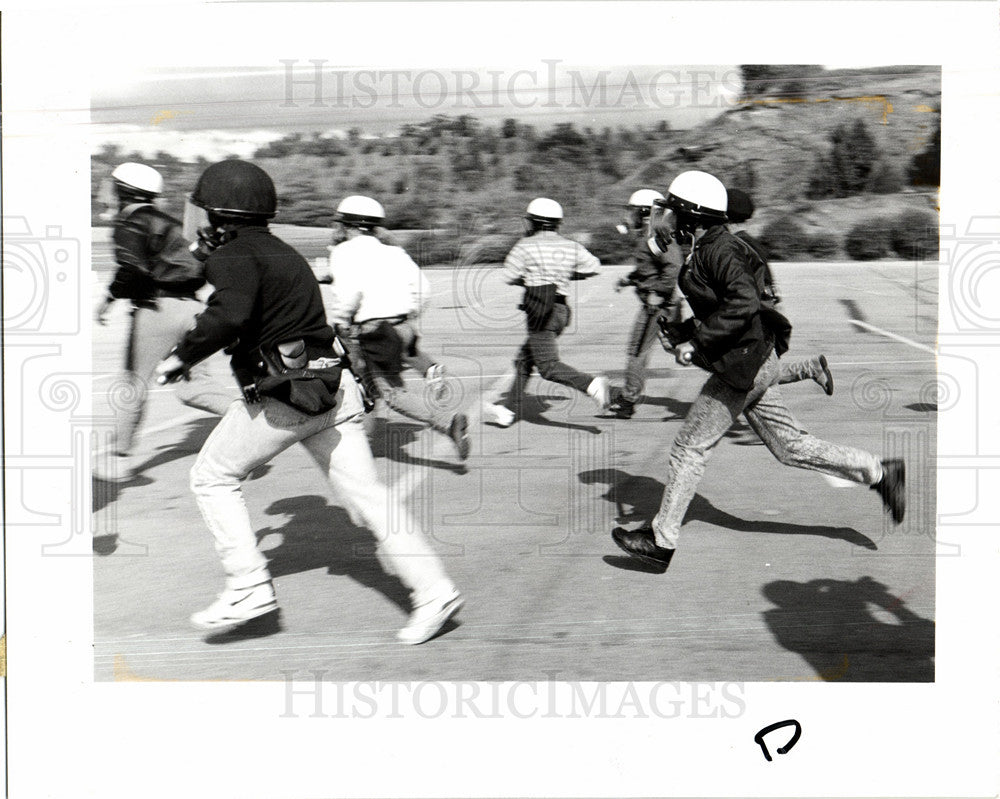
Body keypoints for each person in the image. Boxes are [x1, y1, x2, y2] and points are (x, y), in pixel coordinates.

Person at [155, 161, 463, 644]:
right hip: (332, 389)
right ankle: (434, 590)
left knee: (211, 476)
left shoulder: (234, 255)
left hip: (286, 394)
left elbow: (228, 314)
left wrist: (181, 356)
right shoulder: (284, 252)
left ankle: (248, 586)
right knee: (370, 497)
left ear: (218, 211)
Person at [611, 170, 905, 571]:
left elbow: (742, 303)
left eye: (675, 212)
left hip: (742, 367)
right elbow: (721, 307)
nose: (668, 219)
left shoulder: (720, 250)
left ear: (693, 217)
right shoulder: (706, 248)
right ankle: (877, 471)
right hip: (754, 362)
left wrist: (696, 344)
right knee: (790, 448)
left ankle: (661, 541)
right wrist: (680, 330)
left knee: (688, 448)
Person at [92, 162, 238, 483]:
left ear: (123, 191)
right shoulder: (170, 223)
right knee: (193, 387)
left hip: (157, 309)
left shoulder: (131, 222)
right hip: (193, 311)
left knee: (133, 385)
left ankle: (119, 459)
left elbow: (132, 269)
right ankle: (249, 421)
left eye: (110, 185)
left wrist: (109, 298)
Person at [324, 195, 469, 461]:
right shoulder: (394, 252)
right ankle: (371, 436)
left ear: (349, 225)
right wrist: (407, 316)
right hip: (404, 327)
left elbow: (347, 294)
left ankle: (448, 423)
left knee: (390, 393)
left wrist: (341, 323)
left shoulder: (343, 253)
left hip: (375, 332)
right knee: (375, 385)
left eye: (341, 224)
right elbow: (423, 289)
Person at [485, 198, 610, 427]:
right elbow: (594, 267)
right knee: (524, 360)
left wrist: (533, 278)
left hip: (540, 311)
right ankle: (507, 410)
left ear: (534, 222)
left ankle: (591, 385)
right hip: (561, 311)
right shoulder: (569, 245)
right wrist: (564, 276)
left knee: (548, 366)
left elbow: (509, 276)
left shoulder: (525, 246)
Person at [726, 187, 834, 395]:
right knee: (755, 372)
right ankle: (812, 368)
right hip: (767, 309)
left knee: (752, 374)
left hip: (757, 315)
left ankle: (810, 369)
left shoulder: (737, 245)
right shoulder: (750, 242)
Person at [608, 189, 688, 419]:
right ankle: (628, 400)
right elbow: (650, 268)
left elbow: (673, 266)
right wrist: (629, 279)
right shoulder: (648, 235)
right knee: (670, 348)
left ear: (644, 212)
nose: (628, 216)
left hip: (661, 306)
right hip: (656, 304)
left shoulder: (656, 234)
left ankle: (628, 400)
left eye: (632, 211)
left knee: (642, 350)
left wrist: (659, 293)